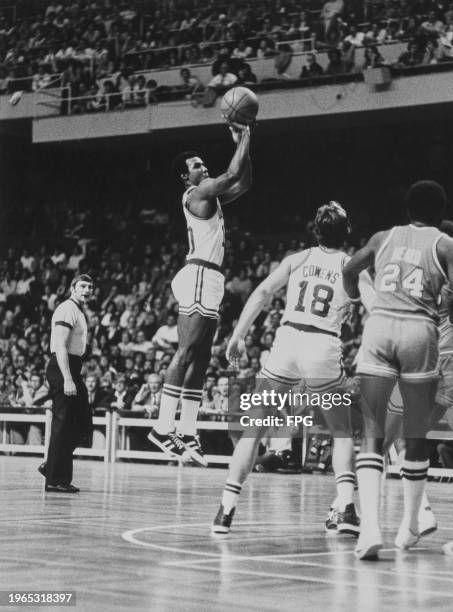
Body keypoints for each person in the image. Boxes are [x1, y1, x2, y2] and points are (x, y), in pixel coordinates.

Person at [343, 181, 453, 560]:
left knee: (374, 431)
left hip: (381, 324)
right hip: (420, 333)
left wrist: (355, 299)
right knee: (417, 434)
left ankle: (369, 529)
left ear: (407, 208)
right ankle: (411, 524)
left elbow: (350, 270)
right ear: (443, 210)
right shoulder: (450, 245)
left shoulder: (384, 237)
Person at [212, 202, 359, 535]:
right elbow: (373, 301)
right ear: (346, 231)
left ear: (315, 230)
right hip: (321, 345)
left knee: (255, 429)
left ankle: (225, 510)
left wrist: (237, 335)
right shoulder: (349, 266)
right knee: (342, 431)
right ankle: (347, 507)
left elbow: (263, 292)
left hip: (287, 341)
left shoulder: (297, 259)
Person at [148, 123, 252, 466]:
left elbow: (244, 180)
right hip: (197, 273)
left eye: (204, 164)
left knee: (203, 357)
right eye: (197, 165)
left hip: (211, 278)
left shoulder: (211, 197)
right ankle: (163, 428)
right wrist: (245, 135)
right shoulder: (197, 194)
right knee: (187, 350)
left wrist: (244, 146)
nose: (203, 167)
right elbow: (232, 172)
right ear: (185, 177)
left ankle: (187, 430)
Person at [41, 274, 94, 493]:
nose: (87, 290)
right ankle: (56, 480)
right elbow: (61, 346)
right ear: (72, 288)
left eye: (90, 287)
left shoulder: (79, 311)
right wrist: (68, 379)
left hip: (72, 366)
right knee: (63, 424)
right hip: (63, 367)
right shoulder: (66, 309)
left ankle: (52, 465)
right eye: (82, 286)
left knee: (83, 423)